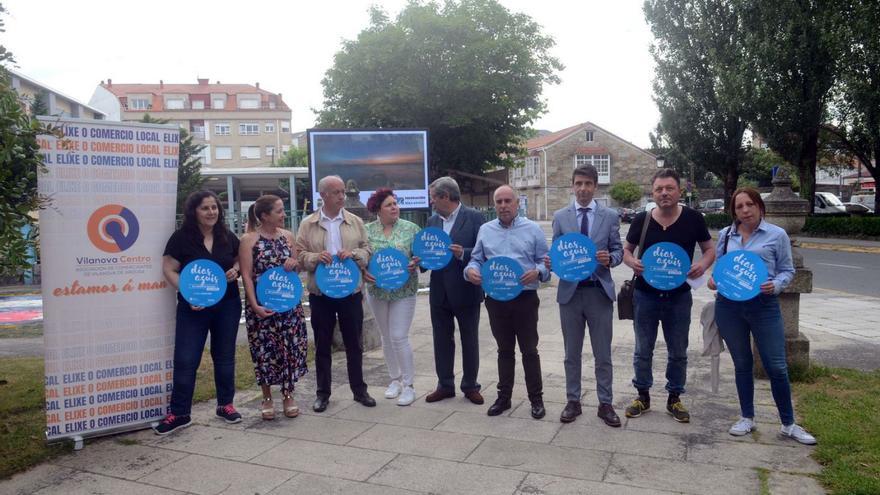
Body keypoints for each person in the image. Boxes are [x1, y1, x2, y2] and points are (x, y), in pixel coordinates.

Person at [708, 188, 816, 444]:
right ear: (733, 211)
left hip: (764, 306)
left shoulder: (776, 235)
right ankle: (747, 417)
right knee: (742, 364)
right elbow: (720, 271)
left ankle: (789, 424)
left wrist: (776, 285)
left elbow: (787, 270)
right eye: (739, 207)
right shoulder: (725, 235)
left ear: (759, 206)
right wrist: (714, 281)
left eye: (750, 205)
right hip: (729, 307)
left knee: (776, 366)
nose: (745, 211)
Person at [622, 168, 715, 423]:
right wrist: (632, 263)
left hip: (679, 297)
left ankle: (675, 398)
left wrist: (703, 265)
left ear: (679, 191)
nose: (664, 193)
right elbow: (626, 251)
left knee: (678, 350)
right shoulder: (642, 220)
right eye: (659, 189)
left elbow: (709, 249)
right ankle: (642, 396)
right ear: (653, 193)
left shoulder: (694, 218)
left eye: (669, 188)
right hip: (645, 295)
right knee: (643, 349)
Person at [156, 191, 242, 435]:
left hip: (228, 304)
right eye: (205, 208)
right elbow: (169, 269)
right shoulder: (181, 238)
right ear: (194, 211)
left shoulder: (227, 236)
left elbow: (239, 260)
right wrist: (187, 291)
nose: (211, 212)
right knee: (186, 359)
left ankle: (225, 405)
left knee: (225, 356)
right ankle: (180, 413)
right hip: (193, 307)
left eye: (214, 207)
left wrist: (235, 270)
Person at [546, 166, 624, 426]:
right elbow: (556, 251)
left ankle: (605, 403)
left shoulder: (610, 216)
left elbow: (618, 250)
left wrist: (610, 259)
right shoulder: (560, 216)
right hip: (570, 293)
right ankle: (573, 401)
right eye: (578, 183)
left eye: (588, 184)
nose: (582, 188)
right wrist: (550, 262)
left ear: (595, 187)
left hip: (598, 292)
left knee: (603, 354)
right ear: (572, 186)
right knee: (572, 353)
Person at [465, 185, 550, 419]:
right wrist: (470, 271)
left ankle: (536, 399)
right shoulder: (485, 229)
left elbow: (546, 263)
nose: (503, 206)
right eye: (499, 202)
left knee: (529, 350)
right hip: (496, 299)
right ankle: (504, 398)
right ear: (495, 205)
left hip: (525, 297)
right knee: (504, 350)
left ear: (517, 203)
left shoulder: (533, 229)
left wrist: (538, 272)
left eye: (507, 201)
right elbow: (476, 259)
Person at [296, 175, 374, 412]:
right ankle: (322, 394)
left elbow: (367, 249)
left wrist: (354, 255)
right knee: (322, 345)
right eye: (337, 192)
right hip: (321, 293)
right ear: (323, 196)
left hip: (350, 291)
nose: (342, 196)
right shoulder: (308, 223)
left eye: (342, 191)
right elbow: (299, 254)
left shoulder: (355, 221)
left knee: (354, 343)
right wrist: (315, 257)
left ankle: (359, 390)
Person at [239, 195, 309, 420]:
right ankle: (267, 396)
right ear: (264, 216)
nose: (284, 214)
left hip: (288, 306)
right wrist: (254, 305)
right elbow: (247, 277)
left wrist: (292, 264)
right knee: (265, 352)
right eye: (279, 211)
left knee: (289, 350)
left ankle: (288, 394)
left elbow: (296, 269)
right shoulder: (249, 240)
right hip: (262, 308)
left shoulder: (288, 237)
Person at [424, 177, 486, 405]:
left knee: (469, 339)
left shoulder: (474, 217)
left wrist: (463, 253)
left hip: (466, 289)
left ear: (446, 197)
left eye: (433, 197)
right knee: (441, 339)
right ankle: (445, 385)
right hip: (439, 292)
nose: (431, 202)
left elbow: (484, 251)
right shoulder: (432, 222)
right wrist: (419, 261)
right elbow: (427, 255)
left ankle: (471, 386)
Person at [362, 188, 422, 406]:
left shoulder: (411, 229)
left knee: (398, 336)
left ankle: (409, 385)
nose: (395, 207)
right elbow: (362, 257)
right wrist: (362, 271)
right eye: (389, 205)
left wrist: (417, 261)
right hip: (377, 291)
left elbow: (421, 256)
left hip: (404, 291)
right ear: (378, 209)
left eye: (396, 204)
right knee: (386, 336)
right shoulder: (366, 231)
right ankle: (394, 380)